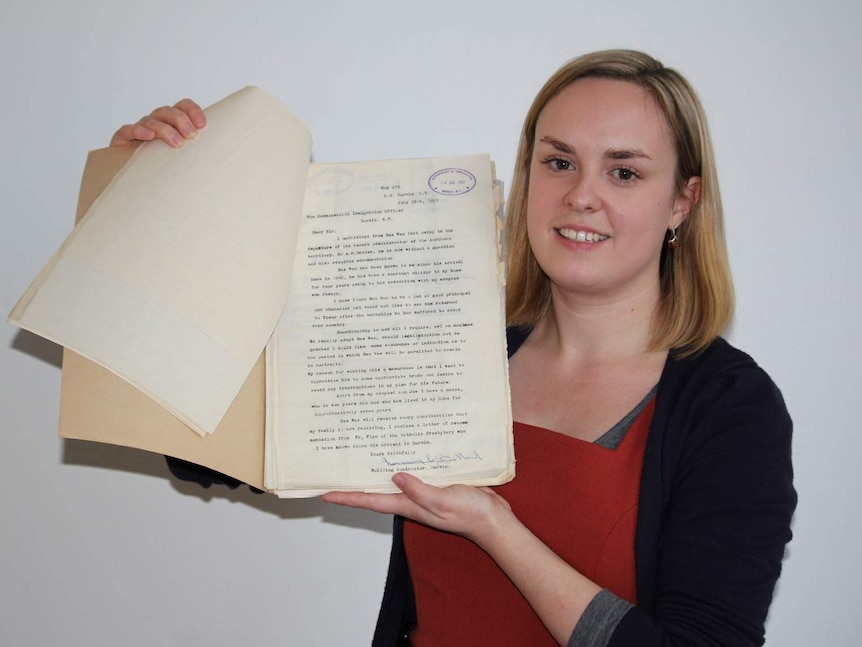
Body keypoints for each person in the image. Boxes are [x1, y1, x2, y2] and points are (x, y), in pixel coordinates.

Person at [113, 49, 796, 646]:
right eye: (558, 161)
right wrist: (161, 199)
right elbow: (202, 447)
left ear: (683, 201)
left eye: (624, 173)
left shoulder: (729, 407)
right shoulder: (446, 347)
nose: (581, 195)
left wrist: (496, 529)